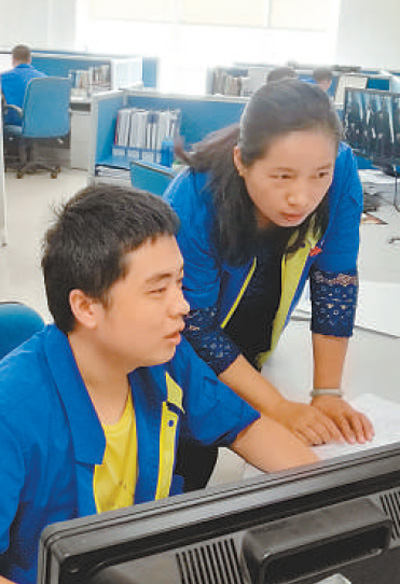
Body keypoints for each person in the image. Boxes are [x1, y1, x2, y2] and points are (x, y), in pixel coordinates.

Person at [0, 185, 318, 584]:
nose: (182, 305)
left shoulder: (164, 360)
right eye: (157, 290)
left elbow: (245, 427)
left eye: (180, 283)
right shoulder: (13, 412)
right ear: (86, 306)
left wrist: (328, 492)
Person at [164, 79, 375, 489]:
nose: (302, 196)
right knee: (187, 459)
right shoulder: (194, 200)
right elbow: (196, 327)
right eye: (282, 176)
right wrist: (277, 405)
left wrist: (327, 392)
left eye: (320, 175)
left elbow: (334, 280)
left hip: (252, 332)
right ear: (242, 161)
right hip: (182, 345)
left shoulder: (339, 169)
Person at [0, 44, 46, 126]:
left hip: (17, 124)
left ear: (13, 60)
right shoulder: (44, 78)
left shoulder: (4, 78)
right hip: (40, 125)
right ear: (30, 59)